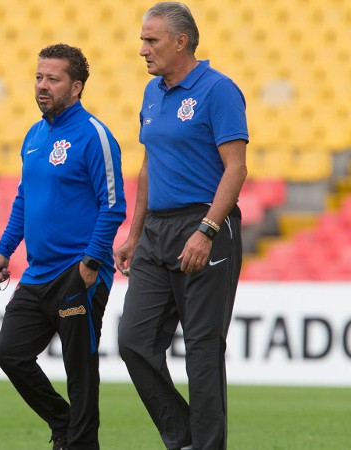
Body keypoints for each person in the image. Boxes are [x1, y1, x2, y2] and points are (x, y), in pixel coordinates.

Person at [114, 3, 248, 450]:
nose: (142, 49)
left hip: (204, 222)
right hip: (156, 230)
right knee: (133, 340)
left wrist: (207, 230)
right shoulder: (152, 93)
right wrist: (134, 233)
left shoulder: (218, 90)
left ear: (180, 41)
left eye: (150, 40)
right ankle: (183, 437)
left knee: (203, 351)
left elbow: (236, 168)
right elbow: (149, 165)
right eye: (142, 40)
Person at [0, 43, 127, 450]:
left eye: (53, 79)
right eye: (38, 77)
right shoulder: (34, 135)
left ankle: (80, 443)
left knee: (79, 367)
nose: (42, 86)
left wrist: (91, 263)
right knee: (10, 353)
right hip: (37, 274)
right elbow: (24, 199)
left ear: (76, 86)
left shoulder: (94, 135)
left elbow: (113, 205)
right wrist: (3, 249)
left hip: (77, 271)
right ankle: (64, 423)